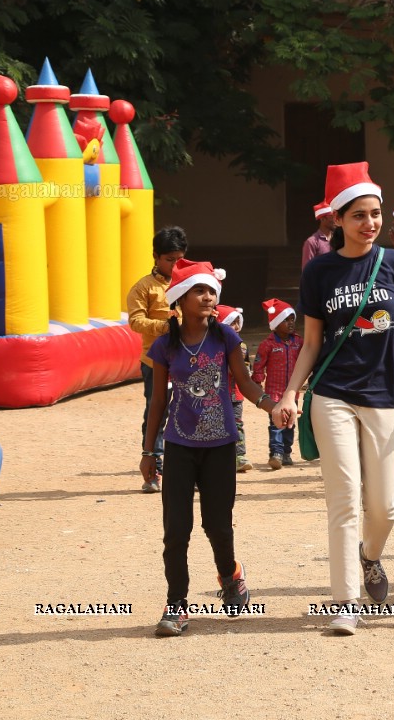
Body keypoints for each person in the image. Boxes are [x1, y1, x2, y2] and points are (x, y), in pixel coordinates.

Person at [272, 162, 394, 635]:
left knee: (384, 507)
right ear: (337, 220)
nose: (370, 223)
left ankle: (371, 556)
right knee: (343, 499)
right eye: (359, 215)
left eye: (375, 214)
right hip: (333, 394)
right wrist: (290, 392)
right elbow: (311, 343)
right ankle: (344, 602)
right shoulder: (319, 271)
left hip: (385, 394)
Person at [141, 259, 275, 636]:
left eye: (211, 291)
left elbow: (245, 384)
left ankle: (231, 574)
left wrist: (272, 406)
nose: (208, 297)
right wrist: (149, 451)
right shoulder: (165, 344)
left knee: (217, 525)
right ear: (180, 300)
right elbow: (157, 402)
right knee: (175, 530)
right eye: (199, 291)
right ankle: (176, 606)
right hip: (179, 446)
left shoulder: (225, 338)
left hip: (220, 446)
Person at [127, 225, 188, 494]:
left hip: (189, 360)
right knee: (157, 412)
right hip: (157, 362)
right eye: (169, 259)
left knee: (189, 412)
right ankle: (153, 470)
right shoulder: (144, 287)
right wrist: (165, 327)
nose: (175, 265)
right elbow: (136, 321)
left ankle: (187, 471)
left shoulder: (189, 282)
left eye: (179, 259)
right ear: (156, 256)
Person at [253, 299, 303, 470]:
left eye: (292, 319)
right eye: (285, 320)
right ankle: (276, 453)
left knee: (290, 423)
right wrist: (257, 380)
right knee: (276, 423)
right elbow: (258, 364)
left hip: (292, 393)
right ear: (275, 324)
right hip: (274, 393)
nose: (290, 323)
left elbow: (307, 359)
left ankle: (286, 452)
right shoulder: (267, 344)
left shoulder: (298, 342)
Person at [215, 306, 252, 473]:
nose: (236, 326)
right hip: (216, 396)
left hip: (235, 394)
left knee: (236, 424)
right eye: (232, 323)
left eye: (238, 322)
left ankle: (239, 456)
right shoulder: (211, 346)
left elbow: (245, 368)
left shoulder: (241, 345)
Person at [301, 201, 335, 269]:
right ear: (323, 219)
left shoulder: (338, 240)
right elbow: (307, 271)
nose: (335, 220)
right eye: (332, 216)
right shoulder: (312, 242)